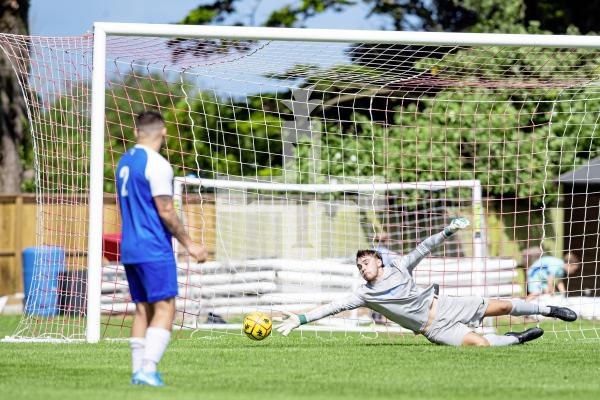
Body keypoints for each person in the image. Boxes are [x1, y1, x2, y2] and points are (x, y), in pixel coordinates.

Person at [275, 218, 578, 346]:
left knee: (499, 306)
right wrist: (299, 319)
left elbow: (425, 246)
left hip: (446, 305)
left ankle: (551, 310)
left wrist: (448, 231)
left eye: (365, 262)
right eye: (358, 266)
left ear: (378, 261)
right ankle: (516, 339)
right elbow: (332, 306)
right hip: (432, 328)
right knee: (480, 345)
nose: (361, 267)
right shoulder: (364, 295)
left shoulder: (400, 267)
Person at [116, 111, 208, 386]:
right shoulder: (158, 165)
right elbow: (166, 211)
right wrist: (190, 244)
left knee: (143, 309)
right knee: (166, 307)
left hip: (130, 246)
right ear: (164, 132)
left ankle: (137, 372)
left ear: (136, 132)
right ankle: (148, 368)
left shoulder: (125, 161)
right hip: (153, 246)